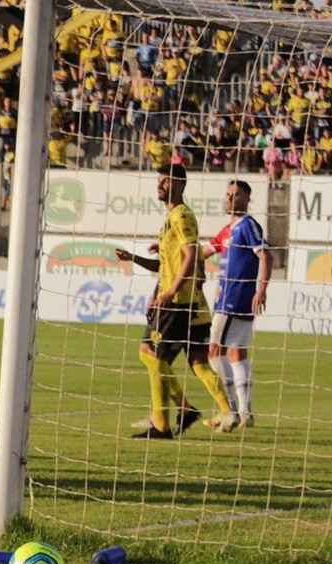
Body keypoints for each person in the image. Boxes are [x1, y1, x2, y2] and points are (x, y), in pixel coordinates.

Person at [114, 164, 237, 438]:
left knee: (152, 355)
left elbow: (193, 256)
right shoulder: (170, 219)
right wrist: (135, 261)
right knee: (174, 361)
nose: (160, 185)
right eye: (159, 180)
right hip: (179, 300)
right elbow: (166, 267)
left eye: (165, 181)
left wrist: (169, 294)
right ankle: (182, 412)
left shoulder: (181, 215)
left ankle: (165, 422)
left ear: (179, 184)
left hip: (180, 301)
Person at [202, 180, 270, 428]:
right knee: (236, 353)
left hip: (234, 298)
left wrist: (261, 288)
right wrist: (171, 253)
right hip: (229, 298)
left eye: (237, 194)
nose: (230, 198)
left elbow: (265, 255)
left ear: (247, 199)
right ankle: (245, 413)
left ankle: (228, 409)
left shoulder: (248, 225)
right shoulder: (227, 230)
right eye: (228, 194)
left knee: (212, 352)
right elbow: (205, 252)